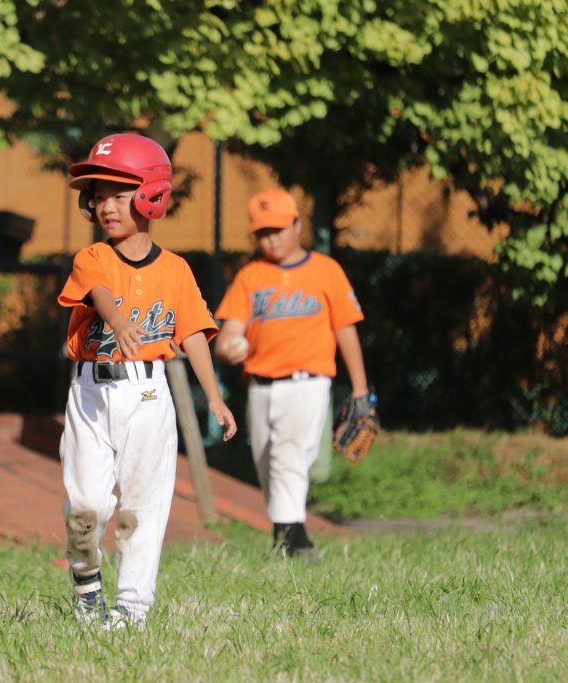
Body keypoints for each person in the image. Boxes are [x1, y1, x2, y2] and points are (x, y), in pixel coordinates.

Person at [57, 132, 237, 629]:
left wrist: (215, 398)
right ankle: (86, 580)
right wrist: (117, 321)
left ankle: (131, 610)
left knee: (142, 506)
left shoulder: (175, 270)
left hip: (149, 394)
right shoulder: (92, 258)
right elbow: (99, 292)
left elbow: (193, 334)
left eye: (119, 194)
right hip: (91, 394)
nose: (105, 206)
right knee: (86, 505)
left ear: (151, 196)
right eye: (99, 196)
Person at [214, 187, 373, 559]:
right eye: (263, 232)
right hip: (260, 386)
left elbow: (346, 330)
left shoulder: (326, 271)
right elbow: (228, 334)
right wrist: (228, 346)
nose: (271, 238)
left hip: (307, 382)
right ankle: (292, 537)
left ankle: (292, 541)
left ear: (298, 224)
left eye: (278, 229)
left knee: (287, 455)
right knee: (268, 466)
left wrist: (360, 389)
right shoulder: (251, 277)